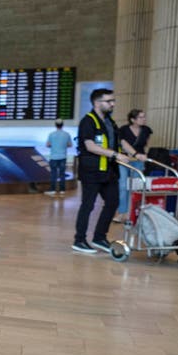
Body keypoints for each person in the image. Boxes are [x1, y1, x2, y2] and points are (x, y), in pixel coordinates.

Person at [73, 88, 129, 253]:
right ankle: (79, 240)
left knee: (113, 202)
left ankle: (99, 237)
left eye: (113, 101)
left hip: (109, 171)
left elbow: (117, 142)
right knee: (87, 206)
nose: (112, 104)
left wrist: (132, 154)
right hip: (92, 172)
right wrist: (115, 155)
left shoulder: (110, 122)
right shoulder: (88, 121)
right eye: (109, 101)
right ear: (97, 103)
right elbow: (90, 146)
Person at [114, 109, 151, 222]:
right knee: (123, 186)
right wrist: (136, 154)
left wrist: (143, 156)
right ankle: (122, 213)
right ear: (132, 119)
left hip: (138, 161)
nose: (144, 119)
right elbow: (124, 144)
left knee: (135, 186)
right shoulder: (124, 129)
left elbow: (147, 144)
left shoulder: (146, 130)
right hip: (124, 159)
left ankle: (132, 212)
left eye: (144, 116)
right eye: (140, 117)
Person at [46, 118, 71, 196]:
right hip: (63, 157)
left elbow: (48, 145)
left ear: (55, 125)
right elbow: (70, 145)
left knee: (53, 174)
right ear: (62, 125)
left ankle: (53, 190)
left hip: (53, 157)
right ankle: (62, 190)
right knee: (62, 174)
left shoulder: (51, 134)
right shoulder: (67, 134)